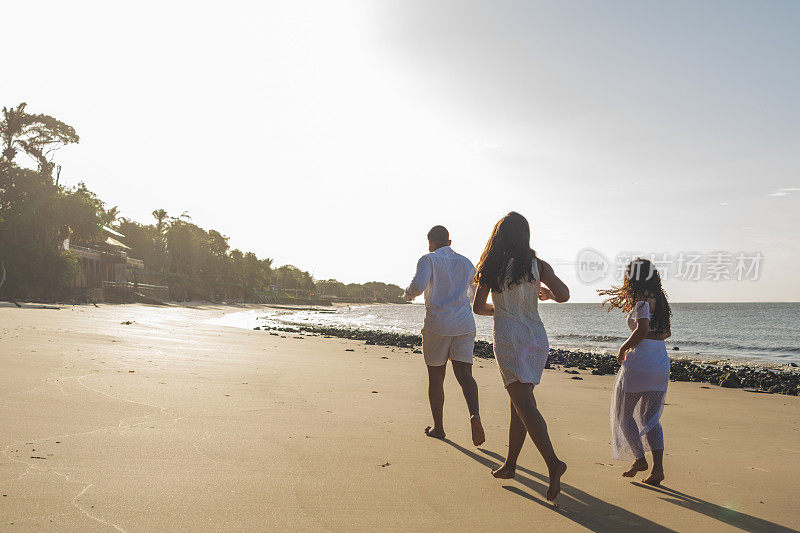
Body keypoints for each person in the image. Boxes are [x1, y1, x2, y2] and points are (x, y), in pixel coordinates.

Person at [472, 212, 569, 502]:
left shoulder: (493, 265)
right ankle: (511, 465)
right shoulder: (538, 265)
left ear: (499, 236)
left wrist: (499, 310)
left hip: (510, 338)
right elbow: (564, 294)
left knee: (523, 402)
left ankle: (553, 463)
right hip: (536, 338)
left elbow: (478, 307)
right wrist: (546, 293)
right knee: (520, 401)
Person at [405, 225, 485, 446]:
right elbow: (473, 291)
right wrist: (460, 300)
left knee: (436, 377)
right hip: (464, 324)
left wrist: (408, 294)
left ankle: (439, 427)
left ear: (430, 243)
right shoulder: (466, 262)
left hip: (438, 326)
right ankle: (475, 415)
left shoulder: (428, 259)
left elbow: (418, 286)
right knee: (465, 375)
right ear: (450, 242)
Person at [598, 258, 672, 486]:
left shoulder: (641, 300)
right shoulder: (660, 299)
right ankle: (657, 469)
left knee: (624, 413)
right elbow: (666, 333)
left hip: (640, 362)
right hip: (660, 362)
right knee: (650, 418)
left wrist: (623, 347)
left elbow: (642, 329)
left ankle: (640, 459)